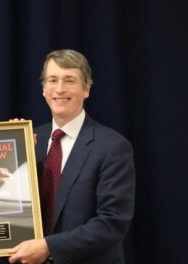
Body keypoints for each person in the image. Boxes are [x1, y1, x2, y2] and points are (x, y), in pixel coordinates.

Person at [8, 50, 136, 264]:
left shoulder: (113, 147)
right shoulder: (30, 142)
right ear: (43, 89)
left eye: (70, 80)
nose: (60, 89)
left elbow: (112, 223)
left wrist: (48, 247)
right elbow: (9, 207)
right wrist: (12, 154)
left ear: (86, 89)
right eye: (52, 80)